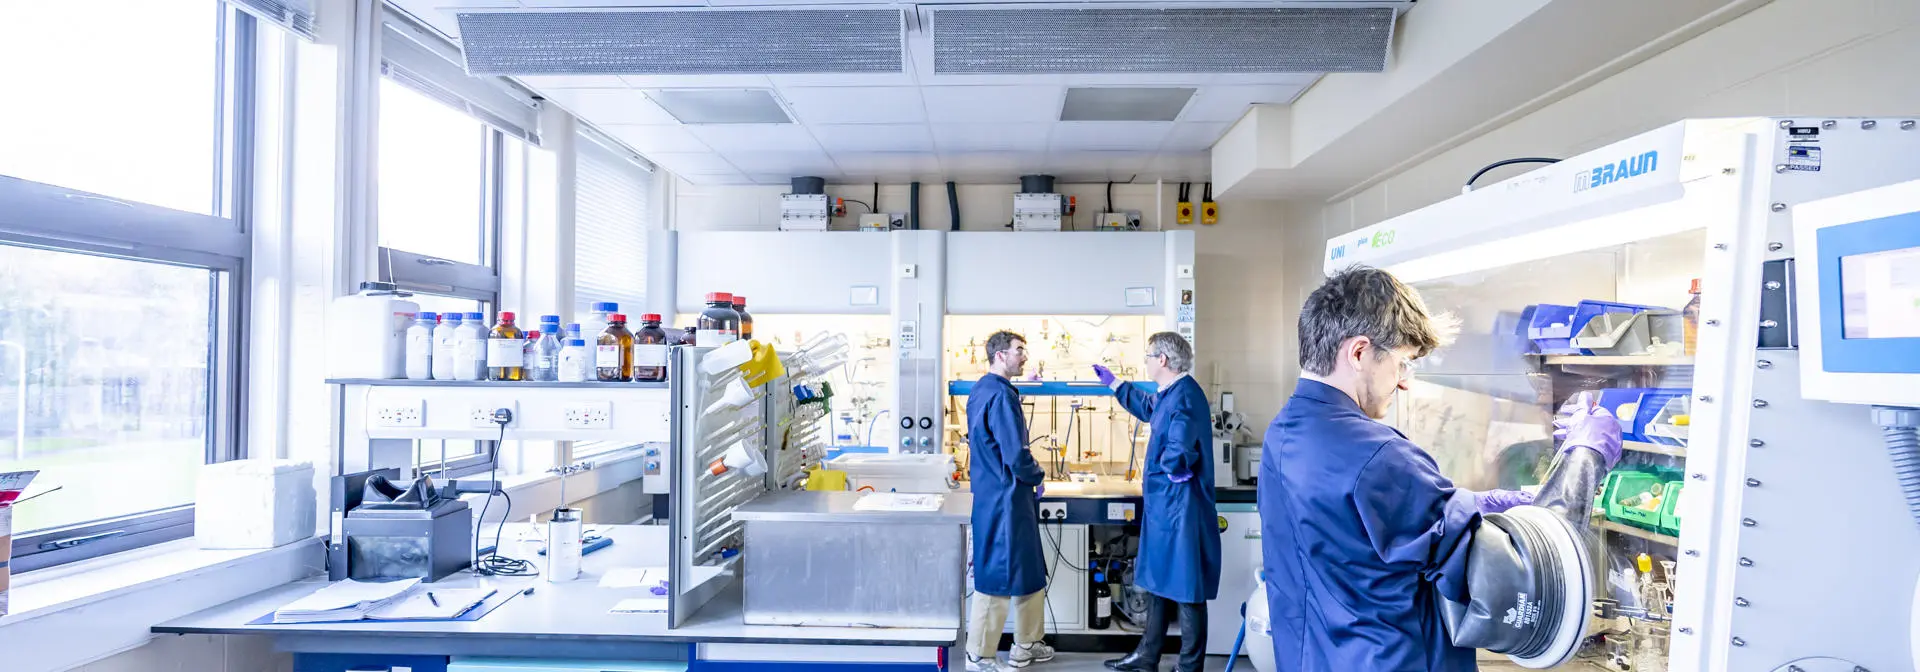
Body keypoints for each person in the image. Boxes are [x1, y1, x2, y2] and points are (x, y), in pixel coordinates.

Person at [1258, 266, 1623, 671]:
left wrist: (1479, 505)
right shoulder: (1377, 455)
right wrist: (1585, 455)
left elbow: (1372, 530)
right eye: (1402, 363)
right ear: (1359, 352)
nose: (1405, 384)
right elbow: (1521, 576)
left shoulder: (1285, 432)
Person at [1092, 332, 1220, 672]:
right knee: (1159, 581)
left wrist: (1173, 466)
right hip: (1166, 505)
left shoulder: (1185, 395)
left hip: (1182, 507)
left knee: (1187, 586)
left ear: (1162, 359)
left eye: (1148, 355)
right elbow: (1149, 409)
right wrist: (1116, 384)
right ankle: (1148, 656)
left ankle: (1189, 667)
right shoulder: (1170, 393)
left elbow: (1180, 443)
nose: (1146, 360)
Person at [966, 330, 1056, 671]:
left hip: (1010, 497)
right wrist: (1038, 475)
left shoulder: (983, 389)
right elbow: (1016, 456)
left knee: (1029, 568)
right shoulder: (1000, 396)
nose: (1024, 356)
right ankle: (979, 653)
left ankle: (1027, 642)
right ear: (1000, 355)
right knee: (998, 573)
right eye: (1019, 350)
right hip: (1003, 499)